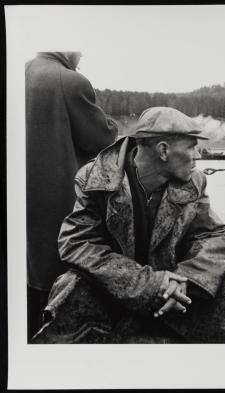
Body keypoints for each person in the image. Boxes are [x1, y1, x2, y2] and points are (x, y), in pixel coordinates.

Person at [32, 107, 225, 344]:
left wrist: (184, 280)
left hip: (178, 285)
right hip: (113, 288)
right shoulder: (94, 179)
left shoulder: (194, 181)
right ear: (163, 150)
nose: (196, 156)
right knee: (69, 287)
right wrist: (149, 285)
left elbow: (212, 235)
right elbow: (77, 243)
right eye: (190, 146)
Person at [25, 51, 118, 340]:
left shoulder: (21, 70)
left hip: (21, 199)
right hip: (55, 203)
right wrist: (112, 123)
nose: (81, 57)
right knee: (58, 278)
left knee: (28, 278)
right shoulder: (69, 81)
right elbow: (101, 136)